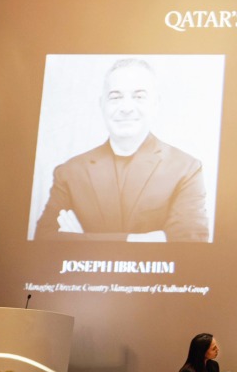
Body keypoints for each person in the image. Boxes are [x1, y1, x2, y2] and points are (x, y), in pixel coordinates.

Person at [34, 58, 210, 242]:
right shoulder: (69, 172)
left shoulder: (186, 168)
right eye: (115, 97)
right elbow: (44, 240)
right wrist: (145, 239)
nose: (126, 108)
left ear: (156, 103)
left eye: (139, 96)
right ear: (101, 104)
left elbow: (189, 243)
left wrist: (83, 240)